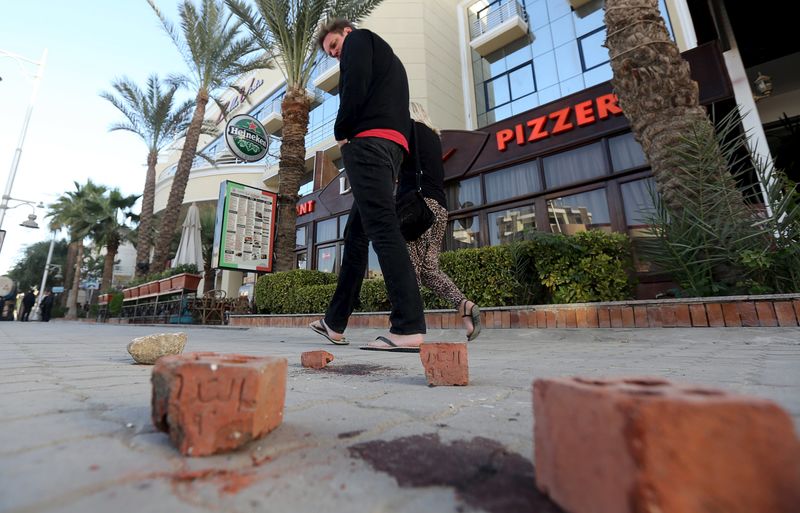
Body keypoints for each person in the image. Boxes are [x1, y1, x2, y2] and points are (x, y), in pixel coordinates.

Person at [310, 19, 425, 352]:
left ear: (345, 31)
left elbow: (354, 85)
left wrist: (341, 131)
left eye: (333, 46)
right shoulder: (388, 59)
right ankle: (334, 322)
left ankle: (408, 327)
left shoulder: (359, 40)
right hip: (389, 148)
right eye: (331, 53)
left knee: (383, 230)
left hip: (368, 145)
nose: (335, 55)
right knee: (357, 236)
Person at [399, 103, 482, 341]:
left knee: (409, 269)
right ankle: (464, 305)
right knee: (428, 270)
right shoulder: (434, 137)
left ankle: (407, 328)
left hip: (418, 207)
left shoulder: (409, 129)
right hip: (439, 208)